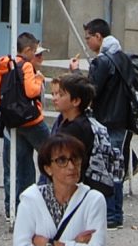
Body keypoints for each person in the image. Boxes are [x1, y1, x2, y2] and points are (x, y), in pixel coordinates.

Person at [83, 20, 133, 228]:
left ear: (98, 37)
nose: (87, 42)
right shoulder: (123, 58)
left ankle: (111, 214)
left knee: (107, 167)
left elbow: (91, 90)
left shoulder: (102, 61)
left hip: (107, 118)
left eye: (88, 38)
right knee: (117, 166)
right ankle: (115, 213)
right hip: (124, 118)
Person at [0, 33, 50, 214]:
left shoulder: (4, 65)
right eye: (35, 52)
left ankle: (13, 207)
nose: (37, 56)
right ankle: (41, 201)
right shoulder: (25, 65)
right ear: (27, 51)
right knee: (53, 154)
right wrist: (39, 79)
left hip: (12, 120)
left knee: (18, 164)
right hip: (31, 120)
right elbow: (31, 91)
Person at [50, 75, 122, 213]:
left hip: (77, 189)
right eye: (54, 94)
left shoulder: (76, 128)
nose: (55, 98)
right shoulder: (72, 122)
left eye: (61, 94)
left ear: (76, 101)